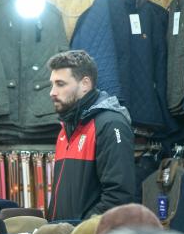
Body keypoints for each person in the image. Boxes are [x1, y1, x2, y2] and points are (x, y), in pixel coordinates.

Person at [46, 50, 134, 222]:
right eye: (52, 84)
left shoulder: (110, 124)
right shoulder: (66, 129)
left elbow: (118, 197)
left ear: (85, 84)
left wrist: (78, 233)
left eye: (60, 84)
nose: (52, 92)